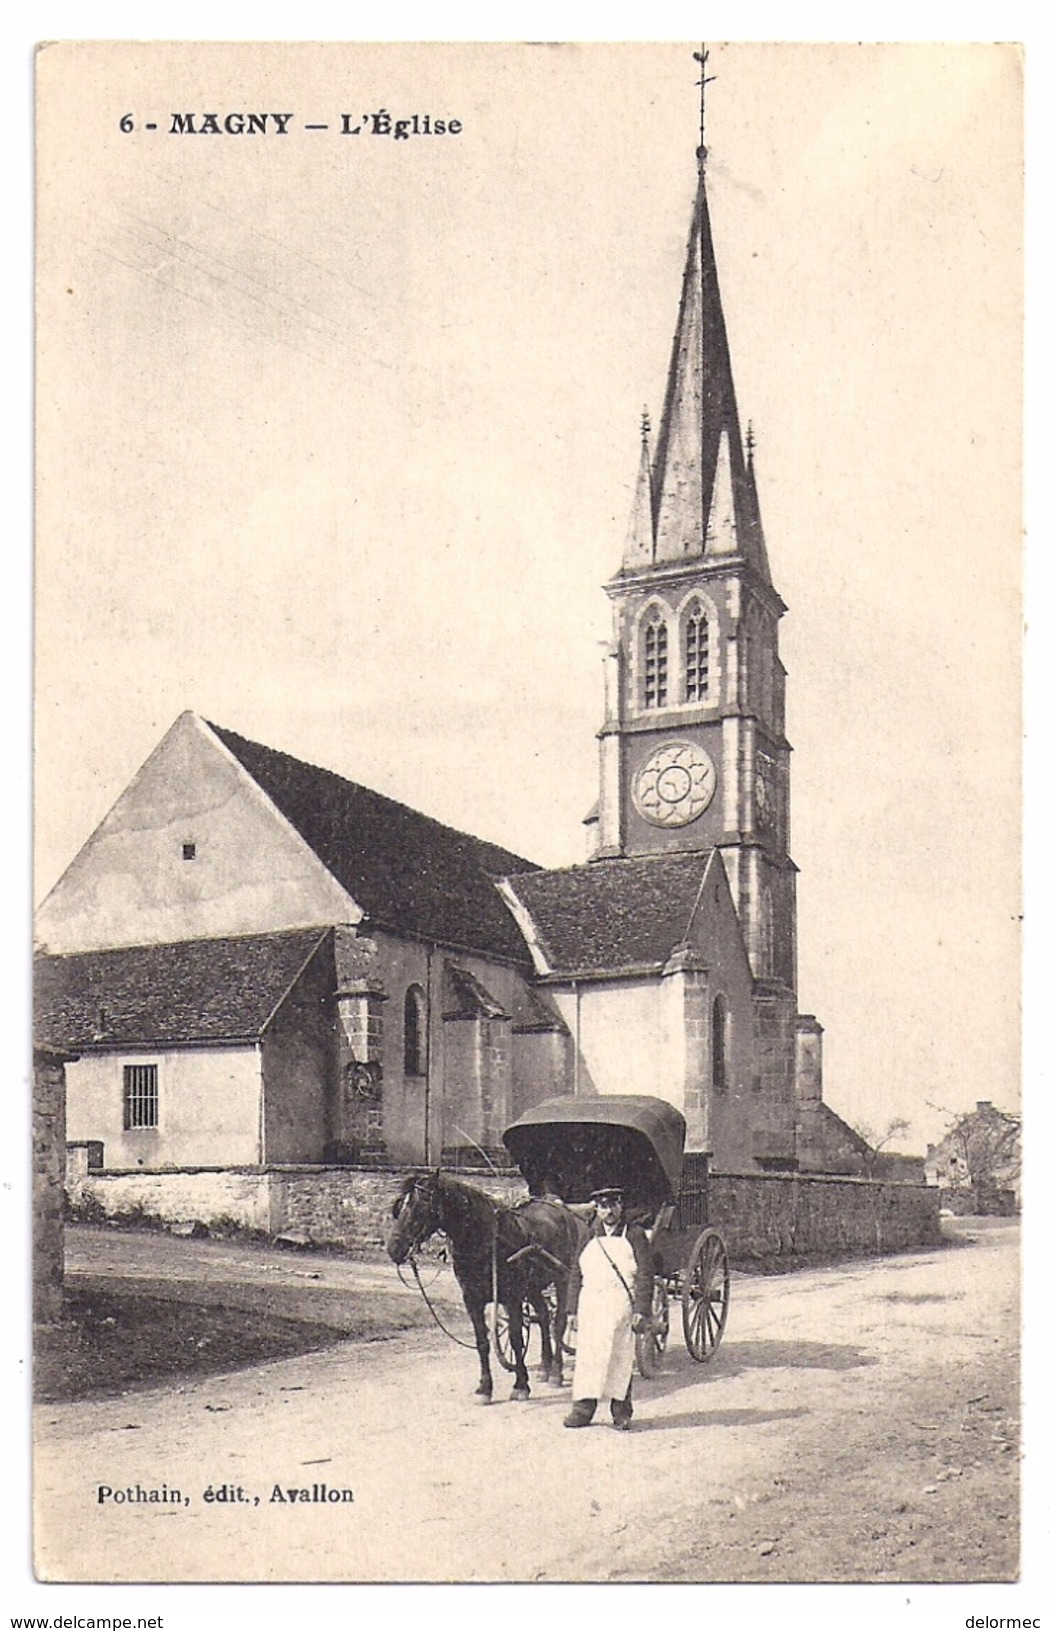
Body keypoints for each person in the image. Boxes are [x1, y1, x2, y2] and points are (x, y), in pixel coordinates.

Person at [563, 1186, 654, 1431]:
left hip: (620, 1301)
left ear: (621, 1206)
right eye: (603, 1206)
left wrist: (641, 1309)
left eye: (613, 1204)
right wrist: (571, 1310)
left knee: (620, 1357)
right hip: (591, 1302)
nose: (609, 1211)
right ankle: (583, 1409)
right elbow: (576, 1272)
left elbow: (646, 1274)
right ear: (597, 1209)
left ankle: (621, 1411)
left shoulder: (634, 1235)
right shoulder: (589, 1234)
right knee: (588, 1356)